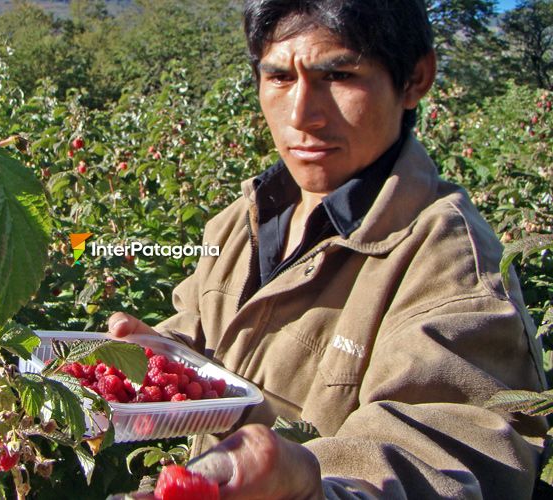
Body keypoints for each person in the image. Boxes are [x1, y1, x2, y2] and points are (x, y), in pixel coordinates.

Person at [107, 0, 548, 498]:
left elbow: (447, 457)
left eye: (338, 75)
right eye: (278, 77)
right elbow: (203, 326)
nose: (302, 115)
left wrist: (318, 489)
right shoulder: (240, 221)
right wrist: (159, 357)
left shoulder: (452, 265)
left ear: (416, 79)